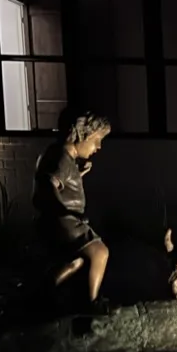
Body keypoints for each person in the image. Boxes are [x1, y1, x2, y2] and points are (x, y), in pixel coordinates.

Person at [32, 109, 111, 313]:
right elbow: (48, 183)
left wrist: (77, 175)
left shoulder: (63, 158)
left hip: (62, 219)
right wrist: (60, 209)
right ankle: (92, 301)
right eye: (96, 140)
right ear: (81, 134)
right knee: (99, 252)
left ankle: (46, 290)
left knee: (76, 261)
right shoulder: (62, 158)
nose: (98, 147)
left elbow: (60, 182)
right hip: (65, 220)